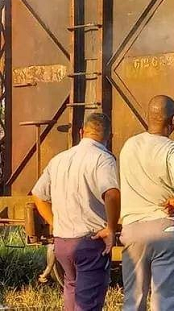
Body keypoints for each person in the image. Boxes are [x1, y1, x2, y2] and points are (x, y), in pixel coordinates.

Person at [31, 113, 120, 311]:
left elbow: (38, 195)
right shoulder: (103, 159)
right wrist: (112, 228)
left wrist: (54, 221)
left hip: (62, 243)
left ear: (81, 132)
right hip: (90, 242)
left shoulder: (59, 159)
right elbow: (112, 194)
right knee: (88, 303)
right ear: (109, 136)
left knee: (71, 290)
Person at [119, 95, 174, 311]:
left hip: (133, 231)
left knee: (133, 301)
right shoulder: (173, 149)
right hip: (167, 228)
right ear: (172, 122)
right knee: (166, 302)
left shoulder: (129, 146)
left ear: (147, 117)